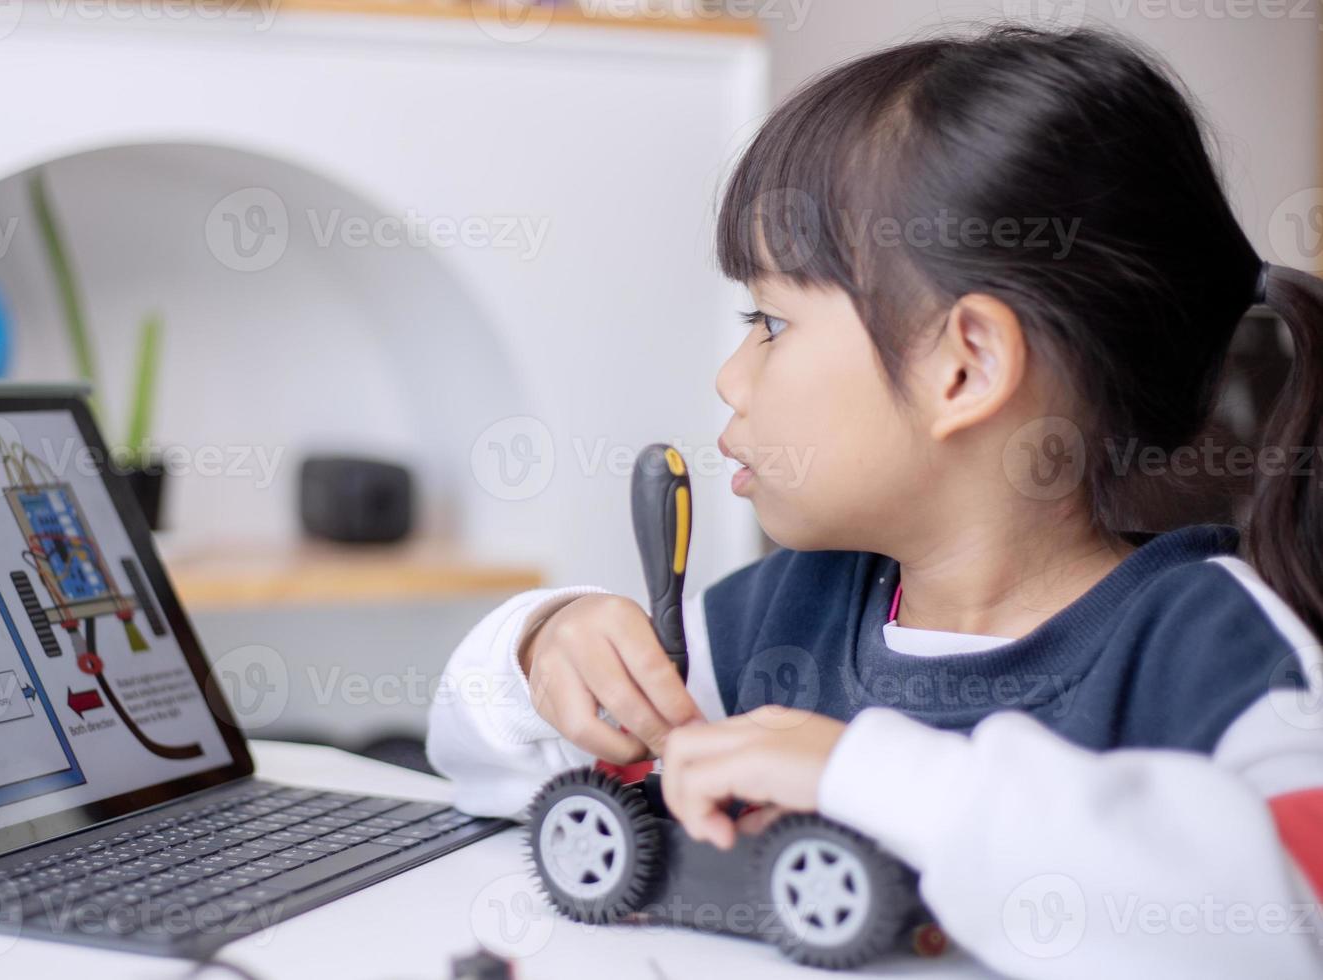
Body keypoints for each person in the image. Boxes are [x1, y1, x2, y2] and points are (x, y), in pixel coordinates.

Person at [428, 26, 1323, 978]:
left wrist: (868, 777)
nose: (733, 377)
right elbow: (482, 764)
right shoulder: (783, 616)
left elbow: (1290, 918)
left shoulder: (1208, 644)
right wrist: (542, 650)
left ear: (964, 366)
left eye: (769, 324)